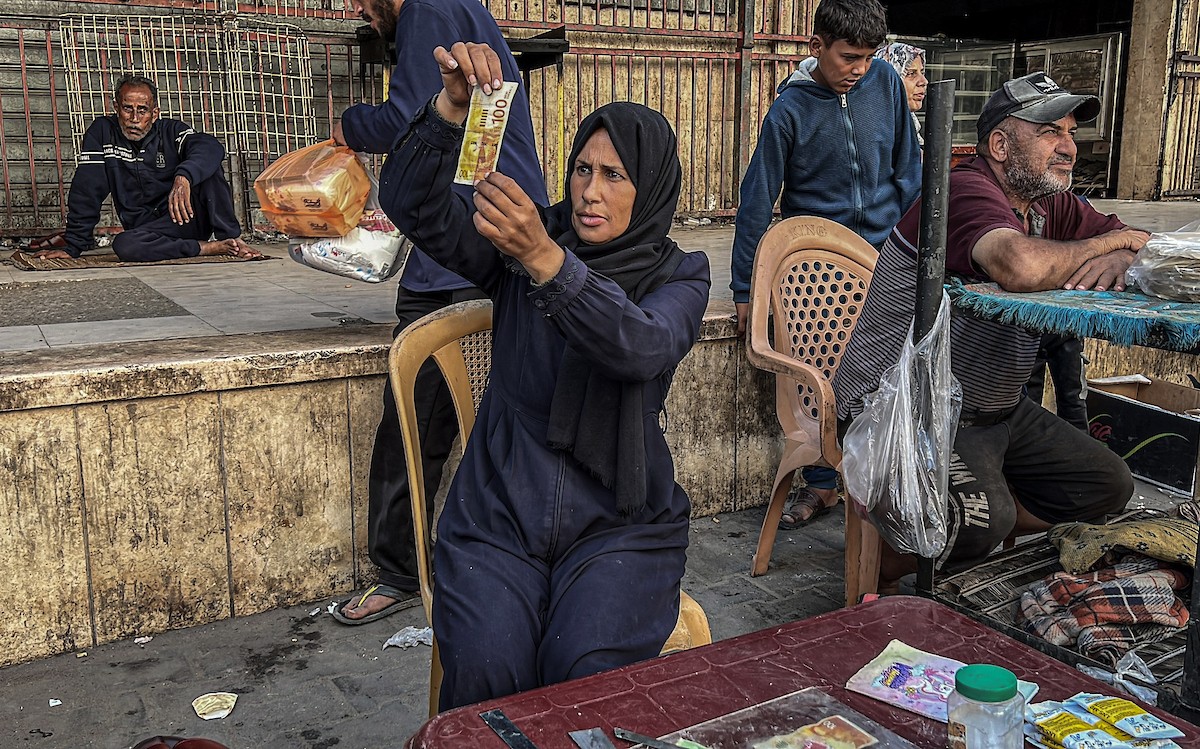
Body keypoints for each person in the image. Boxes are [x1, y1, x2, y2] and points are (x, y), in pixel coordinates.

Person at [379, 42, 711, 710]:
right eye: (583, 168)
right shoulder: (524, 237)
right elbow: (415, 209)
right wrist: (450, 111)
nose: (590, 191)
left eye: (615, 175)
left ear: (650, 189)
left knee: (581, 672)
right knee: (490, 672)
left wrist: (547, 260)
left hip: (621, 521)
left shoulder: (680, 274)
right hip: (500, 514)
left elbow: (641, 346)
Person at [833, 71, 1148, 588]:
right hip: (906, 405)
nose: (1068, 147)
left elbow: (1139, 242)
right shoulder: (963, 189)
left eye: (1070, 133)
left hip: (994, 406)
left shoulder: (1048, 205)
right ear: (1000, 144)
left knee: (1107, 485)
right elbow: (1018, 266)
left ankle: (954, 524)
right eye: (1049, 132)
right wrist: (1101, 247)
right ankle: (880, 566)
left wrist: (1124, 250)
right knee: (986, 521)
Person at [329, 0, 548, 624]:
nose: (360, 13)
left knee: (414, 422)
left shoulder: (426, 9)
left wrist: (350, 124)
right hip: (496, 230)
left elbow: (409, 120)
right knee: (487, 416)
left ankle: (397, 571)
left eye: (363, 4)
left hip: (460, 244)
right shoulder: (465, 8)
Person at [730, 0, 921, 529]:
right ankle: (819, 487)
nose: (859, 69)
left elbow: (910, 172)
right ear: (817, 48)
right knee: (819, 378)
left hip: (886, 257)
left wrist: (923, 250)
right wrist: (746, 289)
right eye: (848, 57)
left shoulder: (884, 84)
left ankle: (880, 483)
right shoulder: (788, 111)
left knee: (891, 374)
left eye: (868, 57)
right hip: (818, 266)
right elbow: (757, 198)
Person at [31, 74, 259, 262]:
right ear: (116, 108)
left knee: (208, 168)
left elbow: (210, 146)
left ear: (154, 113)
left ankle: (231, 241)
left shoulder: (171, 131)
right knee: (124, 246)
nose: (133, 118)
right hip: (148, 231)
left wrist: (184, 177)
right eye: (127, 108)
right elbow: (86, 190)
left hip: (188, 219)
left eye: (142, 110)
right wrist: (73, 246)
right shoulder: (102, 132)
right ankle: (207, 248)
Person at [875, 41, 927, 145]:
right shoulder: (876, 133)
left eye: (922, 72)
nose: (924, 82)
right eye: (911, 73)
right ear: (890, 80)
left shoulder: (910, 127)